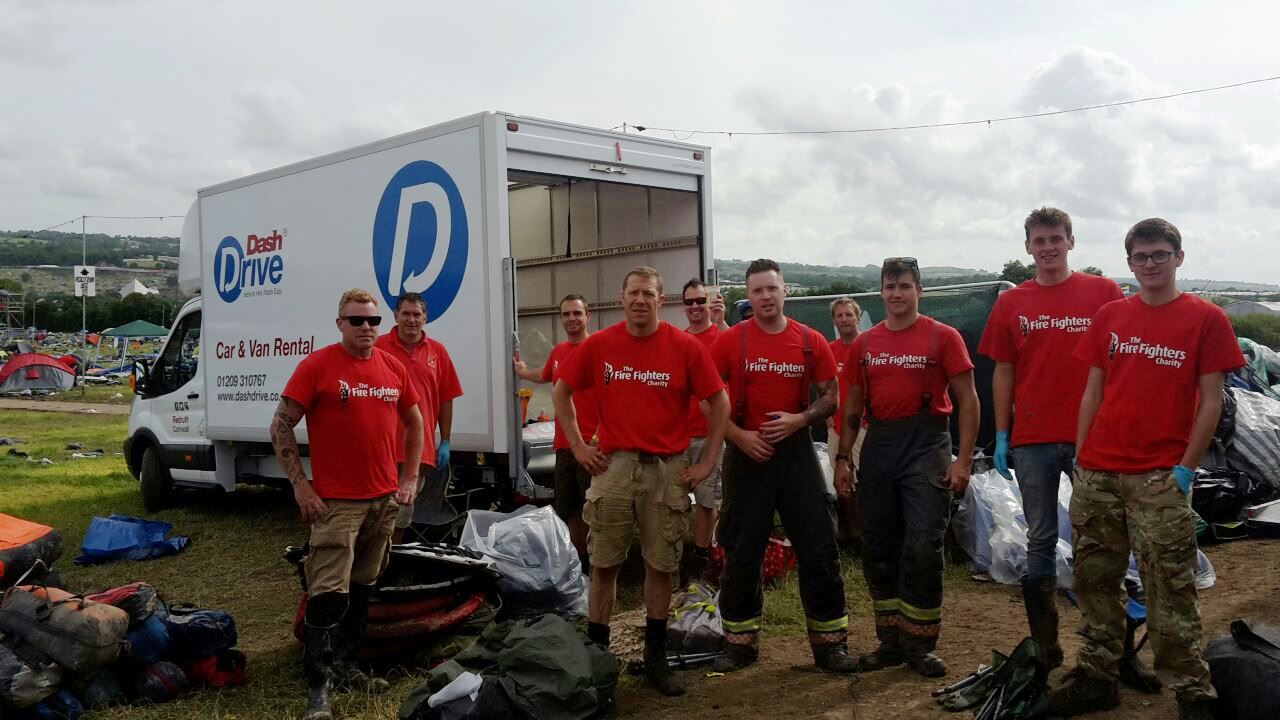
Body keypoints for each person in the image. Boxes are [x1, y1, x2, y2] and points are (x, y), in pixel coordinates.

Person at [1049, 219, 1245, 720]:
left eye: (1160, 254)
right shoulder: (1111, 315)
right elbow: (1094, 390)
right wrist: (1082, 453)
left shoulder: (1205, 319)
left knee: (1170, 586)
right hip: (1098, 472)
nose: (1150, 264)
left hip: (1160, 475)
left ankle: (1190, 690)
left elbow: (1211, 401)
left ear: (1179, 257)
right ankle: (1099, 676)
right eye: (1140, 256)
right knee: (1093, 580)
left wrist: (1186, 468)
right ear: (1129, 262)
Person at [553, 266, 730, 697]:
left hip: (667, 470)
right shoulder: (599, 345)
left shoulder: (684, 347)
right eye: (633, 293)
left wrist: (707, 461)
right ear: (621, 298)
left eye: (648, 294)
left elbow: (719, 401)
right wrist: (578, 447)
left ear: (660, 300)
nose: (639, 300)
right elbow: (561, 392)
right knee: (605, 563)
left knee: (661, 564)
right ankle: (597, 659)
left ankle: (655, 659)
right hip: (614, 467)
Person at [978, 207, 1124, 667]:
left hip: (1092, 439)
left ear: (1071, 242)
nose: (1047, 248)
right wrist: (1001, 433)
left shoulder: (1103, 293)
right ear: (1027, 248)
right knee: (1040, 537)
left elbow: (1120, 363)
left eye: (1055, 239)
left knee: (1100, 537)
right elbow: (1003, 371)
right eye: (1039, 241)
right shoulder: (1012, 303)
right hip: (1034, 438)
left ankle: (1112, 649)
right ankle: (1047, 647)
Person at [272, 289, 424, 720]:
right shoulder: (317, 366)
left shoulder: (392, 366)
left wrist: (409, 478)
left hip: (382, 501)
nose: (366, 328)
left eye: (373, 321)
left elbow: (415, 421)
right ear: (339, 323)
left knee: (363, 588)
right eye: (356, 320)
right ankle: (318, 689)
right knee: (327, 596)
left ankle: (347, 665)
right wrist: (300, 486)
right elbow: (281, 423)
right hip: (337, 504)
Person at [709, 259, 858, 675]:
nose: (765, 297)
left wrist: (800, 420)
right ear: (748, 295)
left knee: (819, 546)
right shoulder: (730, 342)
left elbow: (831, 397)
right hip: (746, 456)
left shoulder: (810, 340)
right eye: (756, 291)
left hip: (796, 454)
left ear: (784, 291)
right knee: (740, 550)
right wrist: (739, 437)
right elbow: (708, 399)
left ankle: (830, 646)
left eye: (771, 289)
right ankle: (739, 644)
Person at [834, 257, 979, 678]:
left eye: (904, 285)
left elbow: (969, 400)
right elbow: (854, 406)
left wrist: (964, 460)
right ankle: (890, 641)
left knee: (922, 545)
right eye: (889, 286)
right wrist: (843, 459)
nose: (896, 293)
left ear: (919, 290)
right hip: (879, 445)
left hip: (928, 444)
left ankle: (920, 642)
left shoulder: (944, 337)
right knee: (879, 545)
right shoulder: (865, 344)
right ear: (880, 292)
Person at [513, 294, 597, 568]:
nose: (572, 319)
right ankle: (579, 564)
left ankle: (599, 566)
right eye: (566, 314)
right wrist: (522, 372)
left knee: (591, 510)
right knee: (569, 508)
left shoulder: (598, 349)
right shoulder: (559, 351)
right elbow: (545, 374)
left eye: (577, 313)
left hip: (591, 447)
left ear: (588, 317)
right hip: (564, 446)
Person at [374, 292, 463, 544]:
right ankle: (371, 568)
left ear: (425, 317)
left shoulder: (438, 352)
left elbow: (446, 398)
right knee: (376, 510)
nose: (411, 320)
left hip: (417, 449)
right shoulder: (377, 347)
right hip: (381, 446)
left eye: (417, 314)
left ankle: (391, 563)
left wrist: (445, 440)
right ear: (395, 315)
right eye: (406, 314)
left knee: (403, 511)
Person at [679, 278, 728, 584]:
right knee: (674, 498)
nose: (696, 307)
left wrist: (722, 322)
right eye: (690, 302)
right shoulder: (680, 339)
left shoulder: (722, 335)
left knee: (708, 500)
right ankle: (675, 555)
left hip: (710, 435)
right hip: (679, 435)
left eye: (701, 301)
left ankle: (702, 556)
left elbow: (736, 350)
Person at [828, 297, 865, 542]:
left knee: (865, 480)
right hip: (837, 427)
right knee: (841, 481)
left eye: (848, 315)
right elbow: (825, 388)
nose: (844, 320)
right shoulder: (830, 350)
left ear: (858, 317)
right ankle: (848, 530)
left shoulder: (869, 345)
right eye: (839, 316)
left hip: (864, 425)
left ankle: (867, 532)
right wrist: (828, 418)